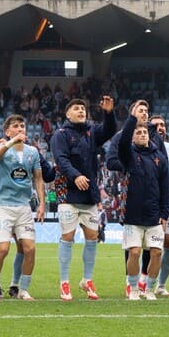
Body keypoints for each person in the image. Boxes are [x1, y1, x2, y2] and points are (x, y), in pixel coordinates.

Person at [51, 95, 116, 301]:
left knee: (92, 238)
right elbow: (61, 160)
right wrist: (75, 175)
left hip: (89, 196)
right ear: (67, 113)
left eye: (83, 109)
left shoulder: (91, 132)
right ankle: (64, 282)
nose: (81, 111)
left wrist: (109, 113)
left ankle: (87, 280)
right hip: (68, 195)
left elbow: (109, 131)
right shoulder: (60, 135)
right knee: (68, 238)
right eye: (76, 109)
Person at [0, 114, 46, 301]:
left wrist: (42, 204)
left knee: (29, 249)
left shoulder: (33, 152)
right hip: (3, 205)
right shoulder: (2, 148)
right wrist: (11, 142)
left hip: (23, 207)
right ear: (8, 131)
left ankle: (23, 289)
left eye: (23, 126)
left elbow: (38, 178)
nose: (21, 129)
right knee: (2, 249)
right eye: (16, 126)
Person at [115, 113, 169, 300]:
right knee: (135, 252)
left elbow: (166, 187)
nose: (142, 134)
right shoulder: (129, 155)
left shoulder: (160, 158)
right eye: (137, 132)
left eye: (144, 132)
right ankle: (132, 288)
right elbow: (122, 143)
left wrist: (164, 213)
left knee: (156, 253)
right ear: (132, 136)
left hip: (154, 216)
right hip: (133, 215)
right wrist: (132, 119)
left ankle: (148, 289)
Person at [146, 115, 169, 296]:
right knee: (148, 243)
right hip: (150, 201)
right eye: (157, 125)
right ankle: (140, 281)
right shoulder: (144, 148)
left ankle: (161, 284)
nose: (161, 127)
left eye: (163, 125)